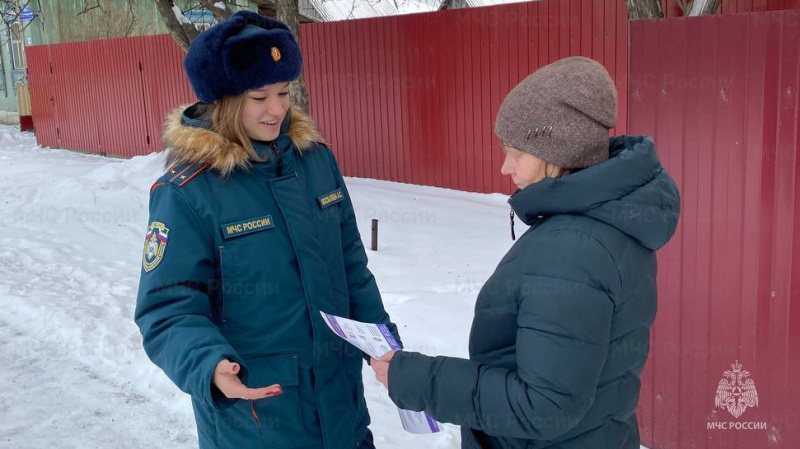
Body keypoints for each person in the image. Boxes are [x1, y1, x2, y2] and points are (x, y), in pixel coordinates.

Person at [371, 57, 680, 449]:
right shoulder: (609, 219)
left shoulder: (573, 251)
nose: (504, 167)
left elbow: (544, 405)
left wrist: (417, 379)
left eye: (515, 152)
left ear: (556, 152)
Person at [134, 11, 400, 449]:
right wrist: (209, 364)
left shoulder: (316, 161)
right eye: (259, 96)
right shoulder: (188, 191)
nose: (277, 109)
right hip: (258, 419)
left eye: (283, 92)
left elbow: (350, 265)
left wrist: (384, 341)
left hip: (342, 410)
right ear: (223, 101)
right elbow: (167, 308)